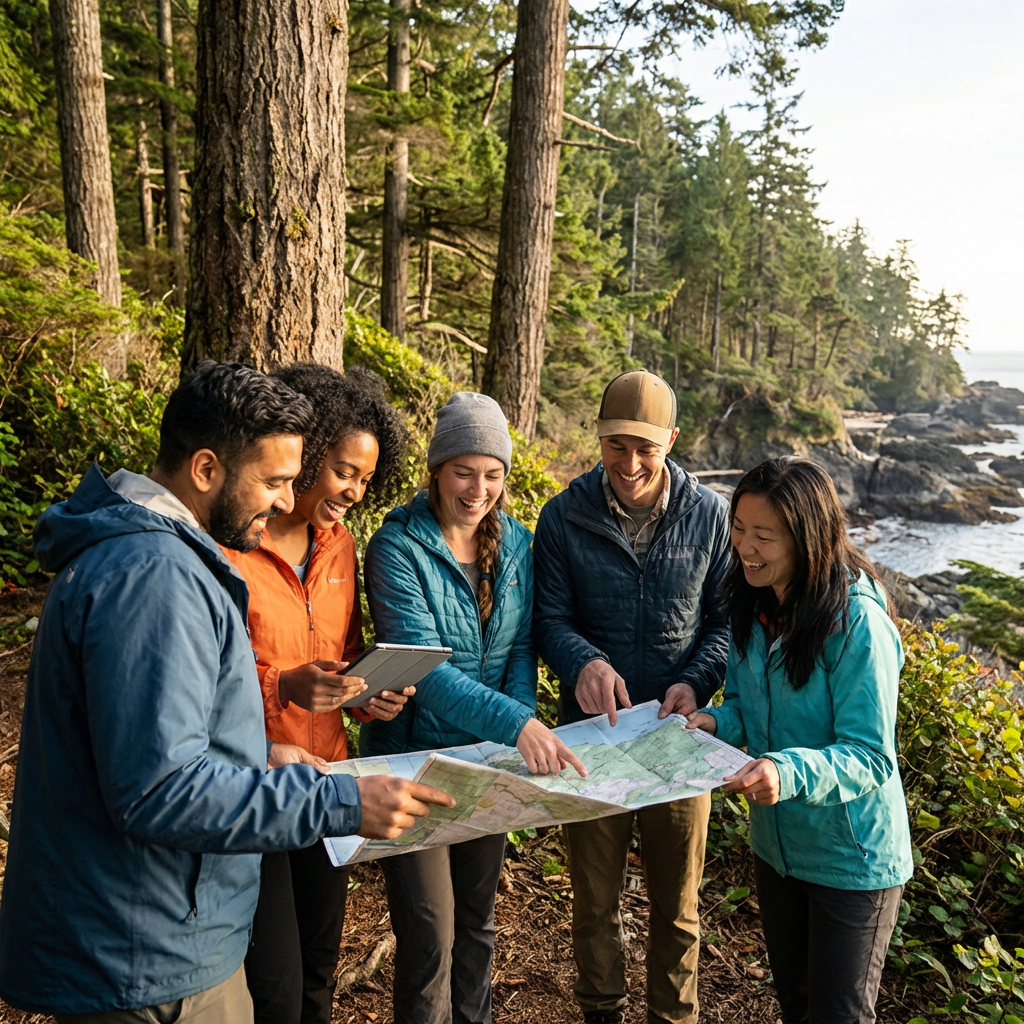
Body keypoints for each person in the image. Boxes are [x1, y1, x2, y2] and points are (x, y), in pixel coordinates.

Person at [0, 361, 453, 1023]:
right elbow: (159, 790)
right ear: (207, 469)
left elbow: (151, 739)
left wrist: (261, 756)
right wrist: (341, 800)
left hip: (160, 935)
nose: (284, 501)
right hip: (145, 956)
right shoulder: (154, 577)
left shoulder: (156, 559)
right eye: (272, 481)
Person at [362, 391, 586, 1024]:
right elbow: (425, 671)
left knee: (478, 925)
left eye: (492, 475)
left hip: (486, 764)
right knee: (430, 934)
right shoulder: (397, 548)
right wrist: (518, 725)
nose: (478, 489)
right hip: (414, 765)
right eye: (464, 471)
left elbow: (520, 649)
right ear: (437, 469)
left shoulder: (516, 545)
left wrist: (514, 731)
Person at [532, 369, 732, 1024]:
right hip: (593, 741)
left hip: (681, 740)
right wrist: (582, 662)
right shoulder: (563, 515)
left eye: (645, 447)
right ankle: (601, 1011)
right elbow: (549, 619)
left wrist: (696, 681)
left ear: (671, 440)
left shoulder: (711, 516)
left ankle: (674, 1018)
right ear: (599, 437)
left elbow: (726, 624)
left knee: (679, 909)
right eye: (616, 445)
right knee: (594, 903)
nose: (630, 463)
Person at [686, 457, 913, 1024]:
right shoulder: (753, 601)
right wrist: (715, 723)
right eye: (739, 528)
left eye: (764, 536)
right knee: (797, 1005)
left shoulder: (857, 621)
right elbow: (748, 709)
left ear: (808, 537)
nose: (746, 548)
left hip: (853, 859)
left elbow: (871, 756)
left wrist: (786, 773)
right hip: (779, 851)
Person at [223, 364, 414, 1024]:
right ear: (305, 455)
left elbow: (343, 653)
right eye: (343, 471)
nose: (354, 491)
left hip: (328, 779)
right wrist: (284, 685)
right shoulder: (233, 544)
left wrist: (365, 693)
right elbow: (211, 676)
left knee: (318, 969)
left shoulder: (340, 546)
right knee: (274, 984)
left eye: (365, 478)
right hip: (253, 780)